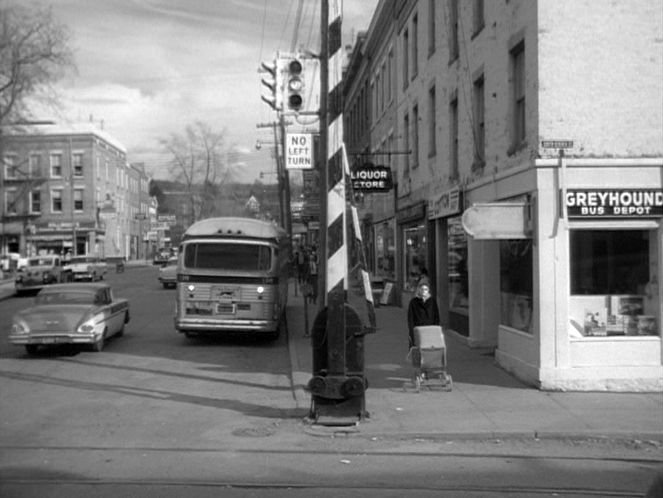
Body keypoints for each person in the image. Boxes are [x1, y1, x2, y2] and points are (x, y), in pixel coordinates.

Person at [407, 281, 440, 350]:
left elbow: (436, 317)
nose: (424, 291)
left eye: (426, 289)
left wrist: (436, 331)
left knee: (429, 352)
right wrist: (412, 333)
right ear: (418, 289)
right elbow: (410, 319)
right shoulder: (413, 302)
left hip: (430, 331)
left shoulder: (432, 301)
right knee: (418, 352)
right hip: (418, 331)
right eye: (422, 289)